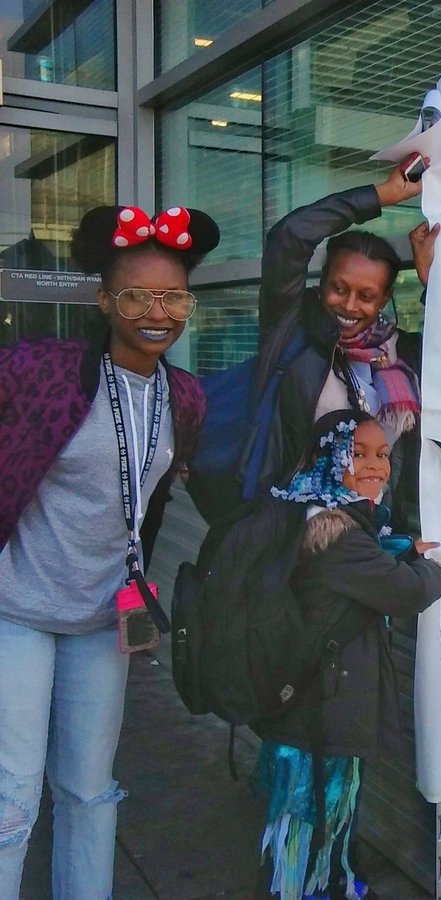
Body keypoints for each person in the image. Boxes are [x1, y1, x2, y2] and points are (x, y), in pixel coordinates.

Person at [0, 204, 219, 896]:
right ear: (103, 300)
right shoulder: (41, 371)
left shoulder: (184, 397)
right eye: (136, 296)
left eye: (173, 297)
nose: (157, 312)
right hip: (18, 610)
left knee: (89, 789)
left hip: (103, 618)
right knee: (11, 801)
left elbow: (153, 499)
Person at [253, 409, 441, 899]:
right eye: (357, 454)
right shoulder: (337, 537)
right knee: (315, 811)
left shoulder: (317, 515)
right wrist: (438, 569)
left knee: (321, 812)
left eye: (382, 454)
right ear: (328, 460)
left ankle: (325, 883)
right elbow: (404, 592)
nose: (376, 465)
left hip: (312, 702)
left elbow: (371, 556)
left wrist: (405, 549)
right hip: (322, 712)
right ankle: (306, 889)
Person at [252, 165, 438, 531]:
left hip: (380, 533)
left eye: (366, 296)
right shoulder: (290, 332)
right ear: (322, 282)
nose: (350, 306)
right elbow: (290, 236)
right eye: (339, 289)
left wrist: (432, 281)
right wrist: (381, 195)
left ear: (385, 297)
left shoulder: (403, 353)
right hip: (299, 533)